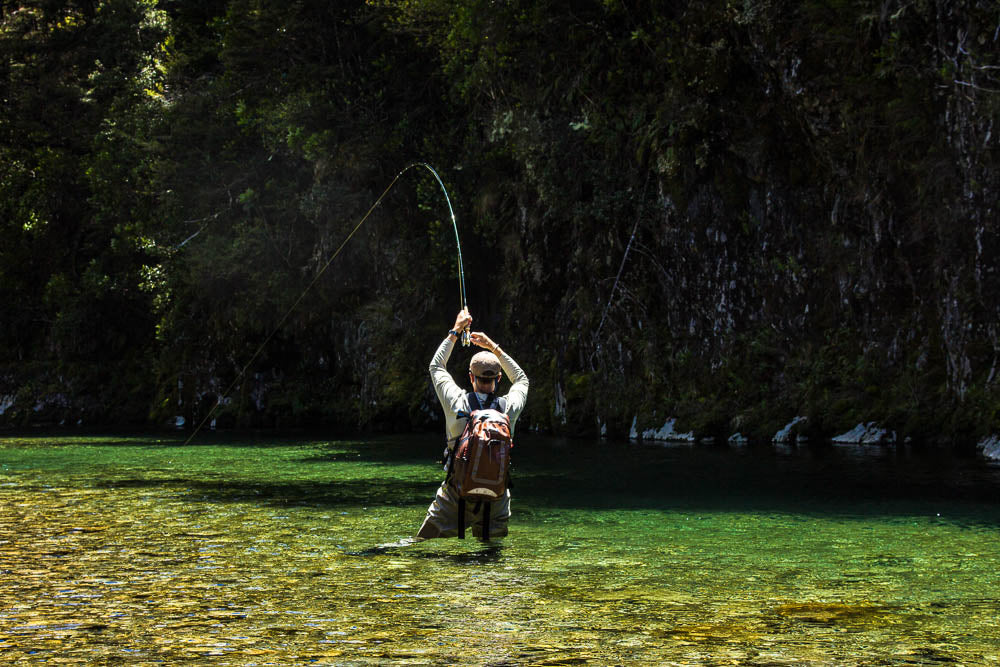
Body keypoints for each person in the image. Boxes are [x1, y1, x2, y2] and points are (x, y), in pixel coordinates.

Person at [416, 307, 529, 540]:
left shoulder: (456, 402)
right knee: (491, 557)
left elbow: (436, 367)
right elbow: (521, 379)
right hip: (497, 498)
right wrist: (493, 347)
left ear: (470, 377)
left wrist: (455, 331)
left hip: (455, 496)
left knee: (421, 547)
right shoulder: (508, 408)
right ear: (498, 379)